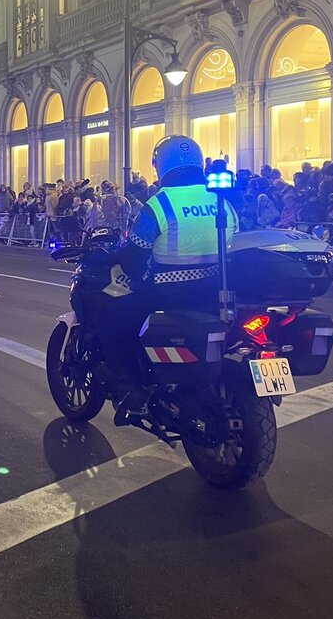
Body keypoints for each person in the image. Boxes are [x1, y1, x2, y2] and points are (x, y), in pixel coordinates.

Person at [94, 135, 238, 421]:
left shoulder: (160, 204)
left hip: (168, 293)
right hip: (215, 291)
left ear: (161, 165)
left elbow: (135, 256)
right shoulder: (222, 200)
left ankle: (131, 387)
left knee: (112, 316)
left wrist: (123, 266)